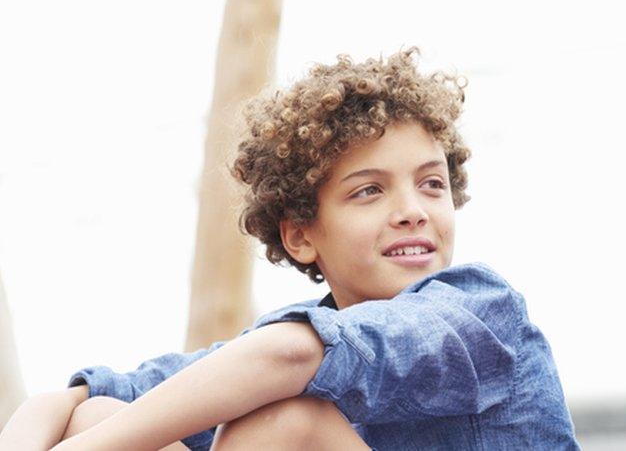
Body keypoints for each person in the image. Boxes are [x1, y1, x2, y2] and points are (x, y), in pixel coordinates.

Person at [0, 49, 580, 450]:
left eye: (432, 183)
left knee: (284, 426)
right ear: (301, 234)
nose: (413, 209)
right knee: (96, 418)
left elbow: (287, 358)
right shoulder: (289, 339)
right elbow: (82, 398)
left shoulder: (480, 311)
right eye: (369, 191)